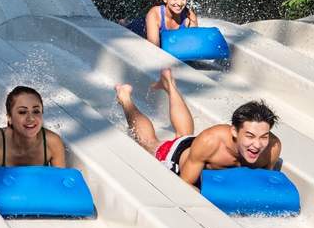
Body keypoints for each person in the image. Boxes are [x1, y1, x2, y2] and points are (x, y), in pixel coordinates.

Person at [115, 67, 282, 188]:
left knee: (184, 133)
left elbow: (264, 182)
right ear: (234, 131)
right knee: (151, 144)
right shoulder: (211, 142)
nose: (257, 145)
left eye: (264, 137)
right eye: (250, 136)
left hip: (198, 147)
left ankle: (170, 86)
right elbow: (184, 185)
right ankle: (125, 98)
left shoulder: (272, 148)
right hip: (178, 155)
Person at [125, 0, 199, 48]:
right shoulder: (155, 14)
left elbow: (192, 46)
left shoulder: (190, 17)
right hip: (137, 29)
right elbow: (154, 49)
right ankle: (124, 22)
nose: (179, 3)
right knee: (126, 25)